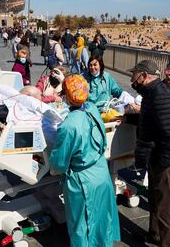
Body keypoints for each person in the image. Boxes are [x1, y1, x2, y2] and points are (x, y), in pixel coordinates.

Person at [49, 74, 120, 246]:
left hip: (83, 182)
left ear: (66, 96)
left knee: (82, 225)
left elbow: (58, 162)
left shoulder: (69, 125)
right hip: (101, 172)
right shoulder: (92, 109)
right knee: (103, 219)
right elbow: (102, 141)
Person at [128, 60, 170, 247]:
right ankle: (154, 236)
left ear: (144, 76)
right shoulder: (151, 93)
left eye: (134, 75)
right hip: (157, 158)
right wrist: (129, 118)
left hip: (166, 162)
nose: (131, 79)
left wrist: (162, 163)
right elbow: (151, 120)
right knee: (155, 201)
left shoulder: (159, 95)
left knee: (165, 209)